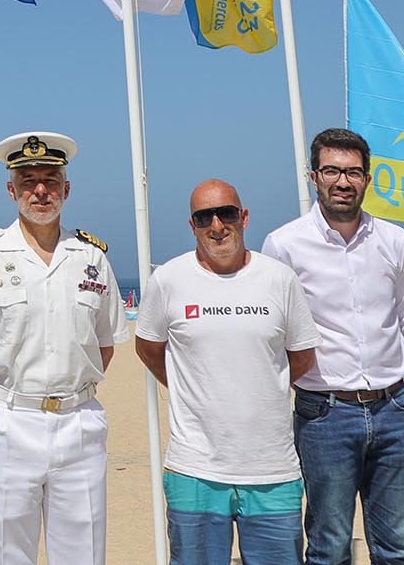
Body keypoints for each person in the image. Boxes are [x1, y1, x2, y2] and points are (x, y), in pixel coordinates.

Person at [0, 132, 123, 565]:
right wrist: (4, 396)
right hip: (6, 423)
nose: (39, 190)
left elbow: (105, 345)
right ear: (11, 190)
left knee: (84, 555)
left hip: (78, 423)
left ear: (66, 188)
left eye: (50, 179)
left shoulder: (92, 257)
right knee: (8, 555)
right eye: (27, 180)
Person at [136, 179, 319, 565]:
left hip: (273, 471)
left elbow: (302, 357)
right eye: (205, 217)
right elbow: (149, 349)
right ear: (193, 226)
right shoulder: (168, 280)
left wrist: (258, 385)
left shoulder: (279, 278)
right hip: (195, 470)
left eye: (227, 214)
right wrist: (196, 387)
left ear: (244, 217)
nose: (217, 226)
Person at [261, 128, 404, 565]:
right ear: (314, 176)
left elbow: (401, 319)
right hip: (324, 412)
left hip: (394, 408)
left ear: (368, 179)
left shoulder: (394, 241)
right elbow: (277, 329)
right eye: (332, 171)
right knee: (329, 545)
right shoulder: (284, 244)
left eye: (353, 172)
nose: (343, 182)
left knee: (395, 545)